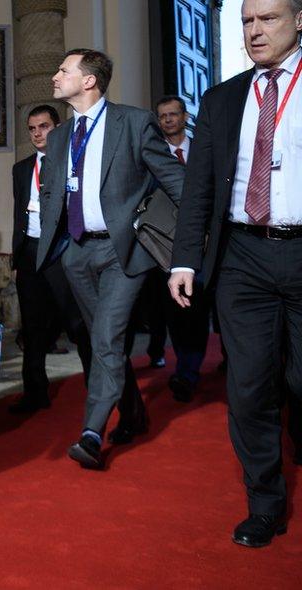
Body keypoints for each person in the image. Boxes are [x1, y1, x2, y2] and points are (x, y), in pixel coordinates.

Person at [169, 0, 302, 548]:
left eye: (267, 19)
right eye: (247, 21)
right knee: (247, 388)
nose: (254, 31)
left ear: (299, 19)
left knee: (298, 382)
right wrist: (184, 259)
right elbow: (198, 187)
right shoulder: (222, 99)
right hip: (242, 257)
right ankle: (264, 503)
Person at [37, 49, 185, 469]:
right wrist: (53, 244)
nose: (55, 76)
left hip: (124, 252)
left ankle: (91, 432)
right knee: (103, 342)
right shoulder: (61, 135)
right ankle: (135, 414)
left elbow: (177, 182)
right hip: (77, 253)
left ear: (88, 81)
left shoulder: (135, 122)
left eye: (62, 70)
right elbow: (53, 192)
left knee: (106, 337)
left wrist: (189, 245)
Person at [9, 105, 92, 414]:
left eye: (43, 126)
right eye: (32, 129)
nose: (37, 133)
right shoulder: (21, 169)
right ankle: (35, 393)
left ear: (57, 128)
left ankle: (95, 391)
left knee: (77, 323)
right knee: (31, 329)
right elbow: (19, 214)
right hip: (30, 253)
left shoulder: (72, 162)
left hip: (61, 251)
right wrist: (17, 259)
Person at [153, 95, 211, 402]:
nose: (168, 120)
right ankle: (185, 370)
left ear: (185, 117)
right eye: (163, 116)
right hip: (167, 244)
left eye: (173, 114)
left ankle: (193, 367)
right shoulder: (153, 155)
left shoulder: (203, 149)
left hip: (207, 241)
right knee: (177, 309)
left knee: (200, 304)